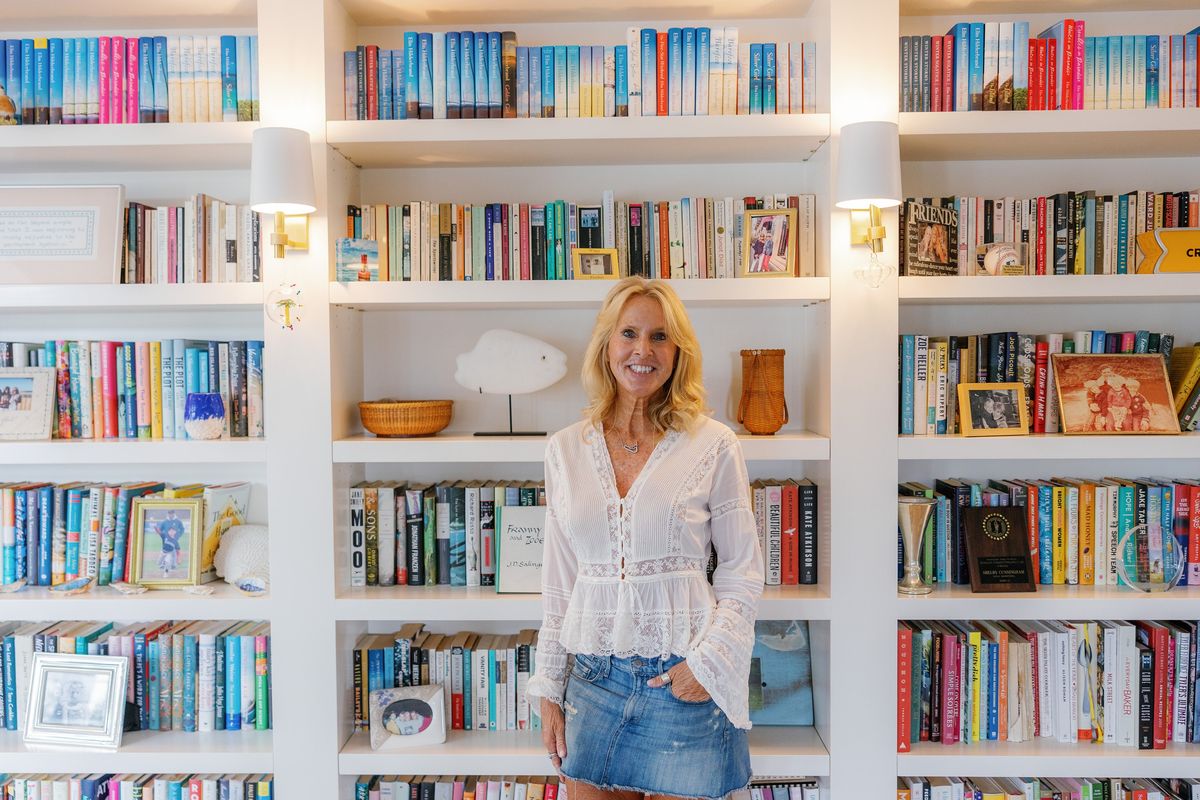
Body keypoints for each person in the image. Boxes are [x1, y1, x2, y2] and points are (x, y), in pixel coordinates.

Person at [528, 276, 763, 800]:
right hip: (591, 685)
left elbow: (742, 571)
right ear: (606, 345)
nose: (642, 350)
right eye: (628, 333)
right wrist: (547, 686)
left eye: (660, 337)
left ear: (678, 351)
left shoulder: (713, 444)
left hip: (683, 680)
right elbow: (560, 586)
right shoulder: (564, 450)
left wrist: (705, 666)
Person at [155, 509, 186, 575]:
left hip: (174, 539)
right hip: (165, 539)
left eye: (172, 513)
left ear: (174, 513)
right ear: (168, 513)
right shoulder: (164, 521)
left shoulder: (178, 521)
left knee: (174, 551)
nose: (170, 514)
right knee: (165, 551)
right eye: (169, 513)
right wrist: (160, 533)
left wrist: (179, 535)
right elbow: (160, 529)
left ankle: (173, 564)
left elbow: (182, 529)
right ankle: (163, 564)